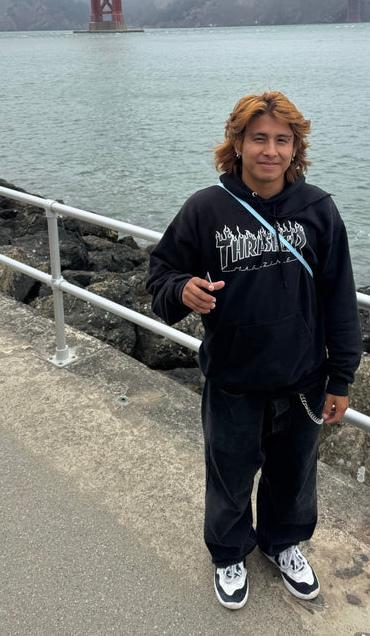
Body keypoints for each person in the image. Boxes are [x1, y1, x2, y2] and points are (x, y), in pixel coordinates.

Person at [146, 91, 362, 611]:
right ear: (237, 144)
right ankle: (229, 551)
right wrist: (182, 291)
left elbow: (339, 295)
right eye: (258, 138)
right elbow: (161, 276)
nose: (270, 150)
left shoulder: (318, 209)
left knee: (294, 476)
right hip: (233, 378)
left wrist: (341, 376)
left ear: (295, 148)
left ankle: (283, 543)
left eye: (281, 140)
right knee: (229, 473)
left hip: (303, 377)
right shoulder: (206, 208)